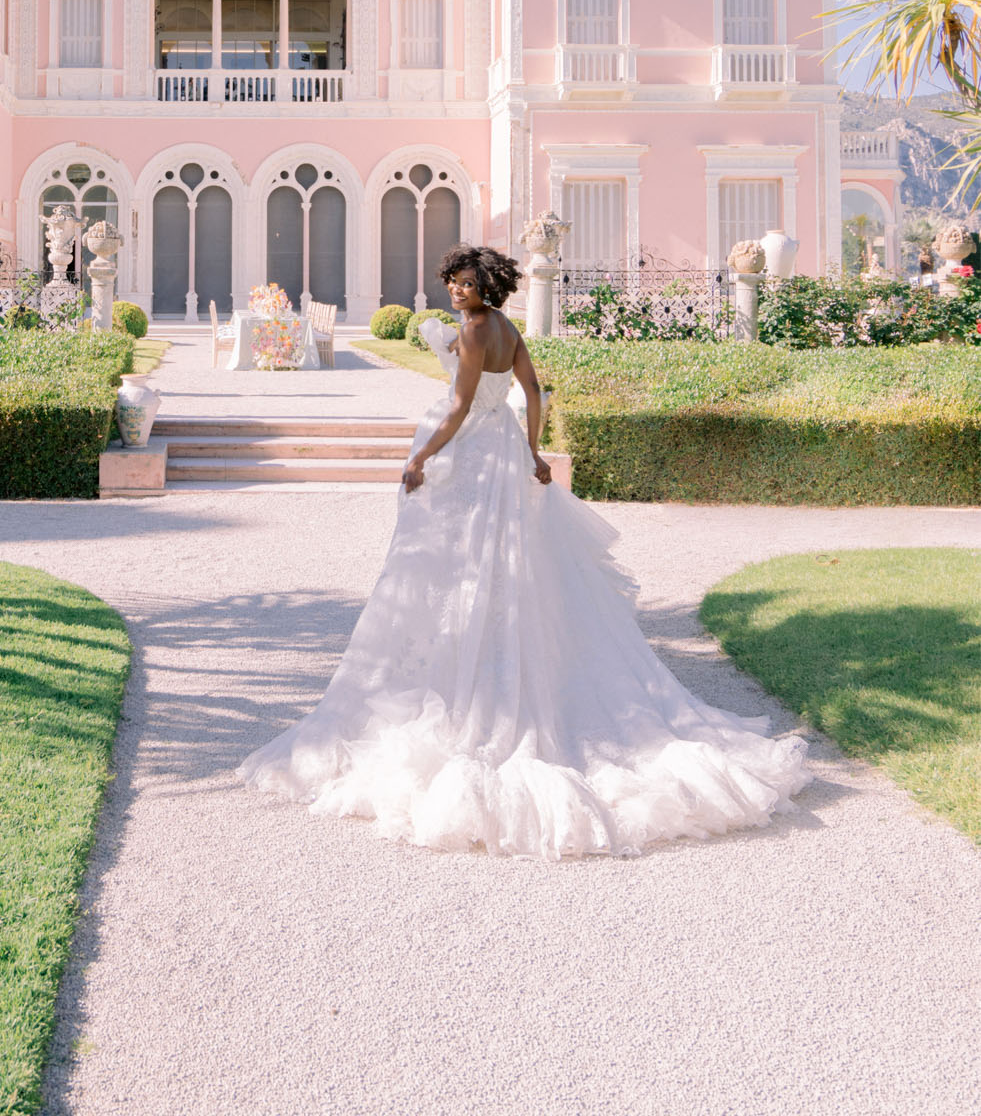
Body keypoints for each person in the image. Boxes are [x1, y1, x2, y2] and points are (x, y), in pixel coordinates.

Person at [238, 243, 809, 859]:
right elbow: (533, 391)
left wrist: (423, 457)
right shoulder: (507, 327)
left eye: (464, 283)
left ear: (486, 284)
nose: (456, 291)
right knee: (507, 560)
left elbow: (459, 406)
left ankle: (469, 673)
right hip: (505, 453)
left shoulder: (480, 329)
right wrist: (532, 451)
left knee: (458, 563)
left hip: (471, 456)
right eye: (452, 283)